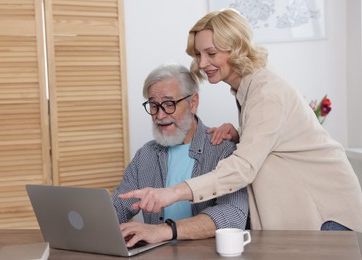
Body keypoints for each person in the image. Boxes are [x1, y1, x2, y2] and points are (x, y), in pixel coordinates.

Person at [119, 8, 362, 232]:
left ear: (236, 48)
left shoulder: (266, 92)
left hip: (328, 211)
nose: (202, 64)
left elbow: (242, 169)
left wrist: (172, 193)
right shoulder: (246, 90)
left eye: (211, 53)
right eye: (199, 54)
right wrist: (242, 133)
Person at [112, 63, 248, 247]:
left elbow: (233, 215)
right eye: (153, 105)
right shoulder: (146, 154)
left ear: (193, 103)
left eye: (169, 104)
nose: (160, 115)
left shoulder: (223, 150)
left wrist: (164, 231)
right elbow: (119, 205)